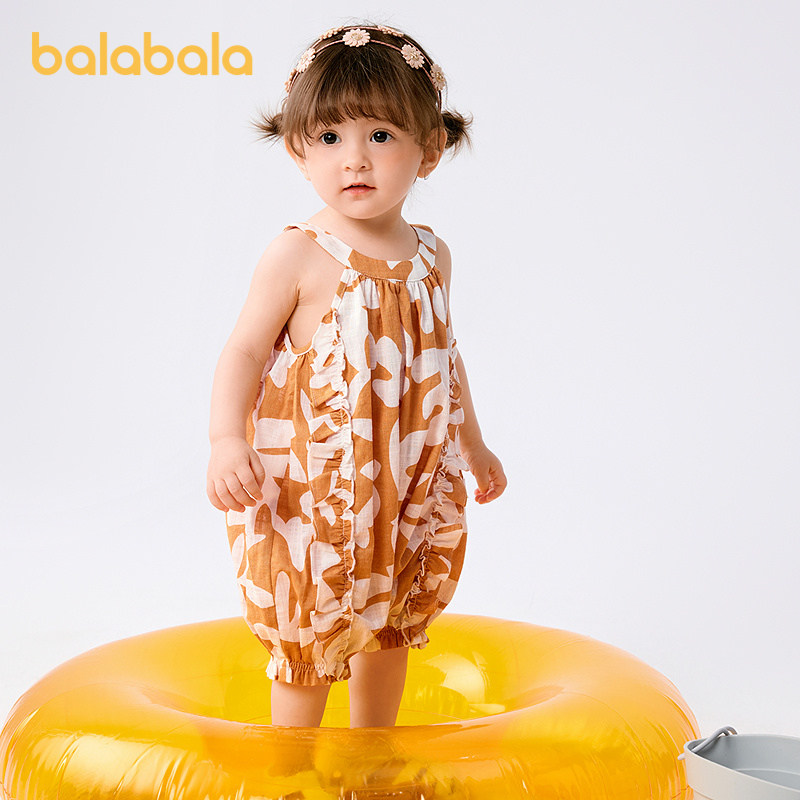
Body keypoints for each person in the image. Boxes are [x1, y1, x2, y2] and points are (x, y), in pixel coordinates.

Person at [206, 21, 507, 731]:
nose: (355, 160)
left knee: (391, 619)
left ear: (428, 151)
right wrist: (224, 440)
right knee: (312, 636)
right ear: (298, 150)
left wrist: (473, 444)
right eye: (330, 137)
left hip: (403, 482)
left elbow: (443, 355)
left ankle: (374, 760)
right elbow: (244, 350)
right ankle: (292, 769)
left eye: (380, 136)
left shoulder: (432, 255)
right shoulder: (300, 254)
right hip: (321, 492)